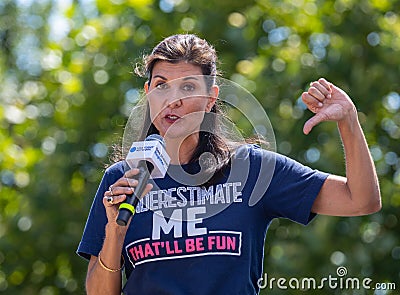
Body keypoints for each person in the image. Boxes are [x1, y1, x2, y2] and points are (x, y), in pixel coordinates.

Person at [77, 34, 381, 295]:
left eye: (187, 87)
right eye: (161, 86)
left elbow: (361, 200)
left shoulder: (250, 169)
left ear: (211, 98)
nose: (172, 100)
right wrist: (114, 231)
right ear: (147, 95)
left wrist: (349, 121)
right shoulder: (122, 179)